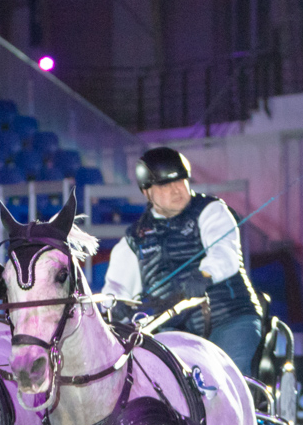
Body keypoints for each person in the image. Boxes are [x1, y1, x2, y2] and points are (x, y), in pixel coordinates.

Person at [101, 146, 264, 374]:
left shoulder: (211, 210)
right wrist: (112, 305)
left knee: (228, 377)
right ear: (147, 192)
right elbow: (117, 286)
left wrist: (204, 275)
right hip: (171, 333)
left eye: (181, 181)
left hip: (230, 320)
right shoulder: (134, 238)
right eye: (166, 185)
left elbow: (224, 253)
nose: (177, 190)